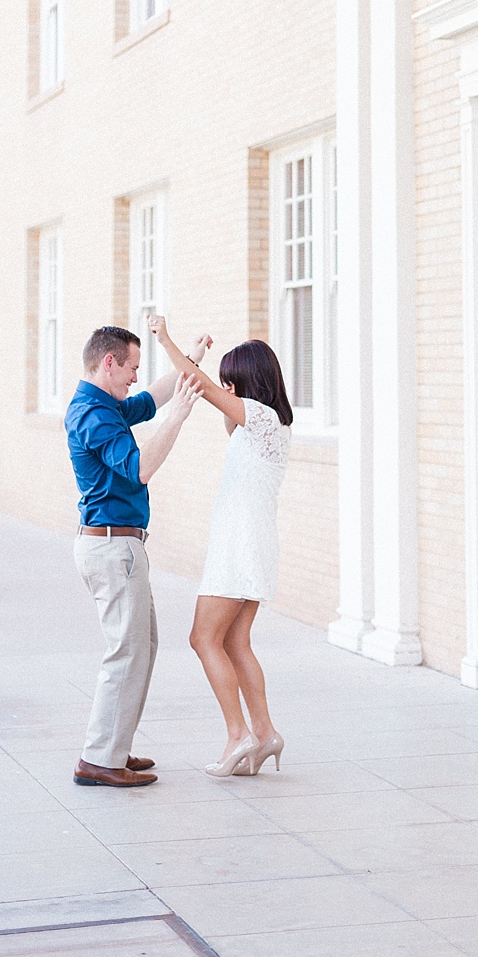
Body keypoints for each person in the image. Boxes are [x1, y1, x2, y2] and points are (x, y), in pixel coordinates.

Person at [147, 316, 292, 778]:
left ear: (248, 382)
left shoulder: (262, 419)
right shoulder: (263, 426)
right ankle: (264, 733)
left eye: (232, 381)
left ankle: (238, 734)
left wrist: (167, 341)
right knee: (233, 640)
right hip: (250, 545)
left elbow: (201, 385)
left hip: (240, 546)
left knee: (202, 637)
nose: (224, 388)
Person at [65, 325, 205, 787]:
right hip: (112, 546)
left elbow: (153, 398)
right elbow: (141, 467)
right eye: (131, 369)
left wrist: (190, 361)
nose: (134, 378)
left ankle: (113, 748)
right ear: (109, 363)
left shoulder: (106, 405)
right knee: (126, 652)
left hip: (118, 544)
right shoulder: (94, 415)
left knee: (140, 647)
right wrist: (181, 417)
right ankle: (100, 758)